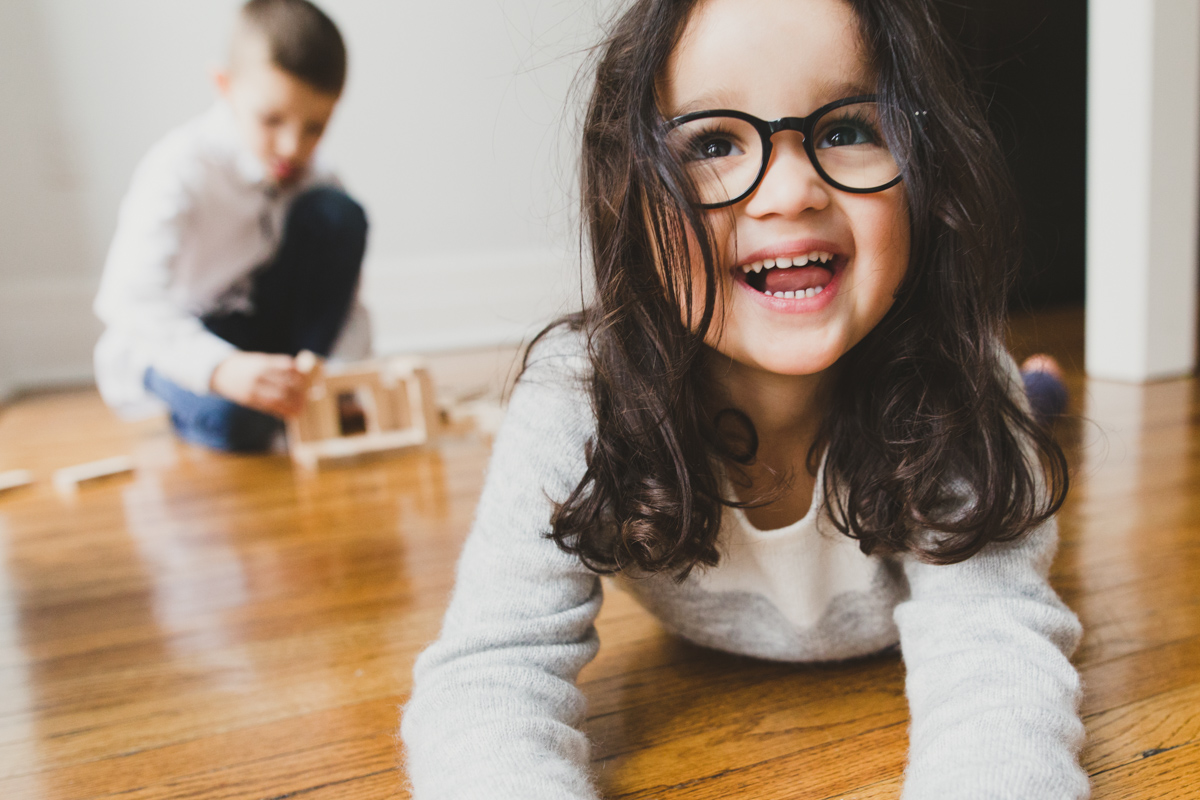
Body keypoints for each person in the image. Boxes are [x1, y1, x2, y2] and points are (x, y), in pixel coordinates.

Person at [401, 0, 1087, 797]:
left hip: (973, 397)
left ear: (925, 171)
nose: (791, 191)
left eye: (847, 130)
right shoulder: (576, 399)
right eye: (714, 143)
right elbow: (490, 674)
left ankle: (1035, 393)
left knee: (1016, 406)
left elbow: (999, 662)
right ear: (630, 195)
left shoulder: (960, 389)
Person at [93, 0, 369, 452]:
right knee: (236, 419)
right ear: (224, 86)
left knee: (339, 213)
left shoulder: (319, 178)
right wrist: (221, 369)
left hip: (260, 328)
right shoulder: (181, 167)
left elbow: (348, 307)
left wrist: (341, 375)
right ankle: (220, 402)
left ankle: (295, 396)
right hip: (182, 336)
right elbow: (129, 300)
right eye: (272, 119)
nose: (291, 146)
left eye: (315, 128)